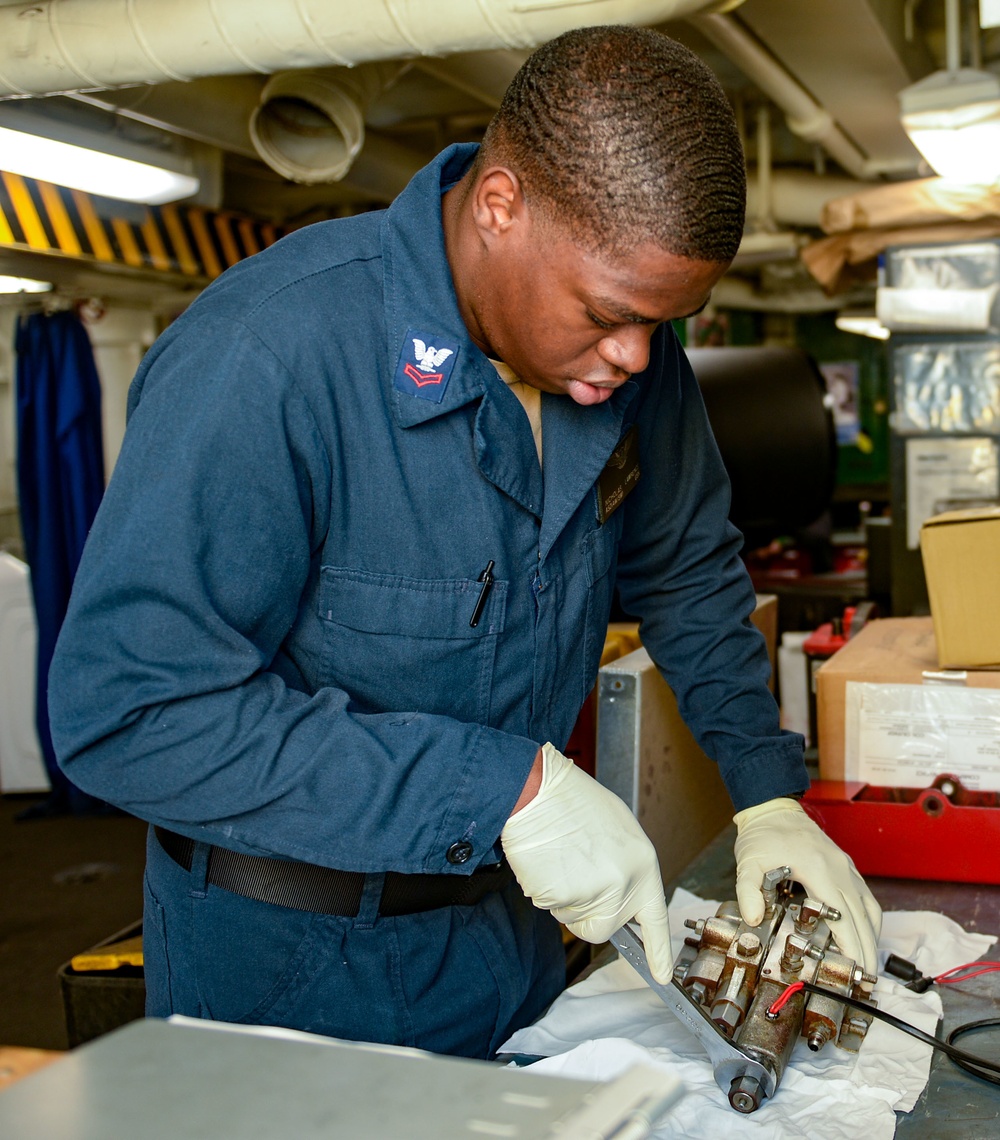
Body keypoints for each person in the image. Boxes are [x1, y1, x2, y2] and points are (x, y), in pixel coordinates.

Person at [48, 25, 880, 1060]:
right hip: (292, 976)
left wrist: (766, 798)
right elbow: (130, 714)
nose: (635, 355)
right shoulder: (267, 358)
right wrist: (500, 790)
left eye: (666, 323)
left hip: (512, 943)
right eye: (609, 314)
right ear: (500, 206)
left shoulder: (631, 360)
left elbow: (689, 574)